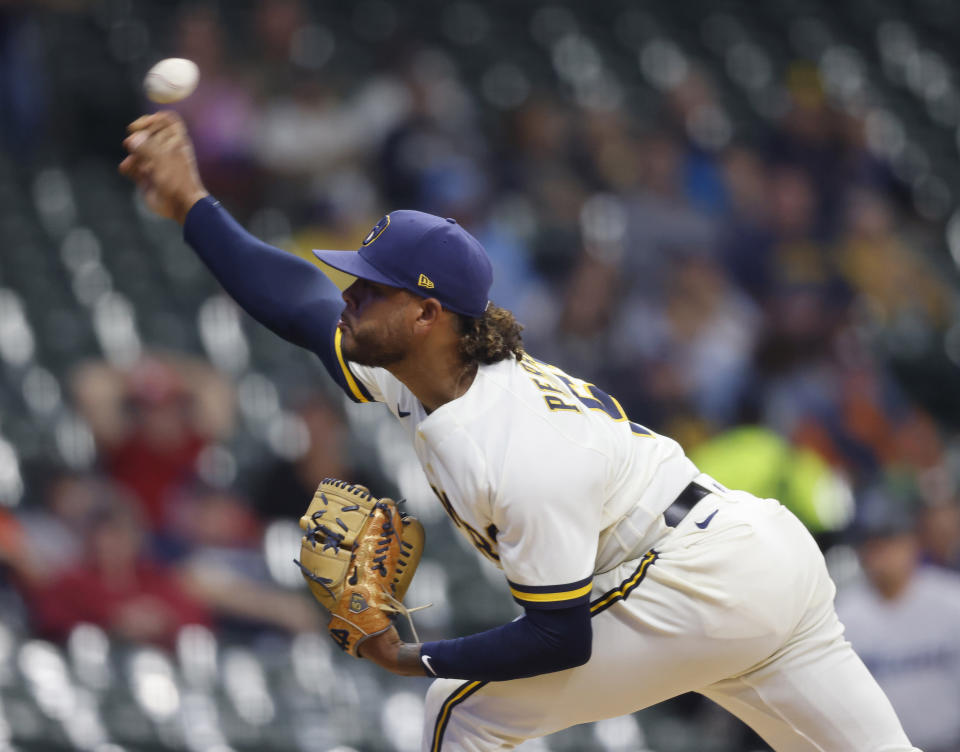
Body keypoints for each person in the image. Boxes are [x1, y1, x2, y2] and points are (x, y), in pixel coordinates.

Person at [119, 111, 918, 751]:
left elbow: (558, 638)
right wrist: (193, 203)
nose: (350, 300)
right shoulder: (426, 370)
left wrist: (408, 654)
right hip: (749, 562)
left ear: (429, 313)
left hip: (698, 577)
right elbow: (296, 301)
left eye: (370, 291)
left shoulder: (515, 444)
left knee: (457, 713)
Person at [837, 488, 960, 752]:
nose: (882, 555)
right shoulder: (843, 615)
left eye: (891, 542)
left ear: (913, 543)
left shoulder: (952, 600)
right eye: (873, 546)